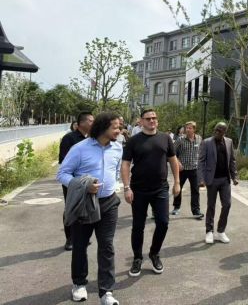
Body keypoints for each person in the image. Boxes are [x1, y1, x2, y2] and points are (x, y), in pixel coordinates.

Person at [56, 112, 123, 305]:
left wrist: (114, 185)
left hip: (109, 203)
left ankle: (106, 292)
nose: (119, 131)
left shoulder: (118, 148)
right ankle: (79, 284)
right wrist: (84, 186)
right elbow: (62, 174)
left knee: (107, 246)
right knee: (80, 245)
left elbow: (115, 171)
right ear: (103, 128)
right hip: (85, 203)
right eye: (115, 127)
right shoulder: (80, 148)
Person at [121, 109, 180, 277]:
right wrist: (126, 187)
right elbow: (125, 164)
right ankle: (137, 258)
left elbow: (173, 160)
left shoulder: (165, 138)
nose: (152, 121)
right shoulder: (133, 141)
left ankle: (154, 253)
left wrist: (177, 182)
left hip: (160, 188)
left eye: (154, 118)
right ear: (141, 121)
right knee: (138, 226)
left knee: (163, 223)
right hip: (138, 189)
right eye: (148, 118)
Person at [59, 111, 94, 250]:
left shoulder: (92, 138)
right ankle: (69, 239)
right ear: (81, 123)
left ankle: (83, 236)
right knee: (71, 208)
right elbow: (63, 161)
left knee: (86, 207)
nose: (93, 123)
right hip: (72, 181)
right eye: (91, 121)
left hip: (88, 181)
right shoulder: (69, 138)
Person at [198, 122, 238, 244]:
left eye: (220, 130)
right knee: (211, 206)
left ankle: (221, 231)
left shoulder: (229, 142)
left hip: (225, 180)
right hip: (212, 180)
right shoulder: (206, 142)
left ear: (224, 132)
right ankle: (209, 231)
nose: (217, 132)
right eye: (216, 129)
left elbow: (232, 161)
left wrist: (234, 176)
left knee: (227, 205)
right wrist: (201, 179)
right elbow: (201, 161)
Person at [171, 121, 204, 219]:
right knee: (178, 188)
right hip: (182, 169)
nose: (187, 130)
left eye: (190, 128)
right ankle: (176, 207)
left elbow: (201, 152)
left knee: (195, 190)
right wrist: (178, 162)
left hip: (194, 169)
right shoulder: (180, 139)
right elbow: (172, 153)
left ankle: (196, 210)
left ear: (194, 129)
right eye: (186, 128)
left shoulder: (199, 139)